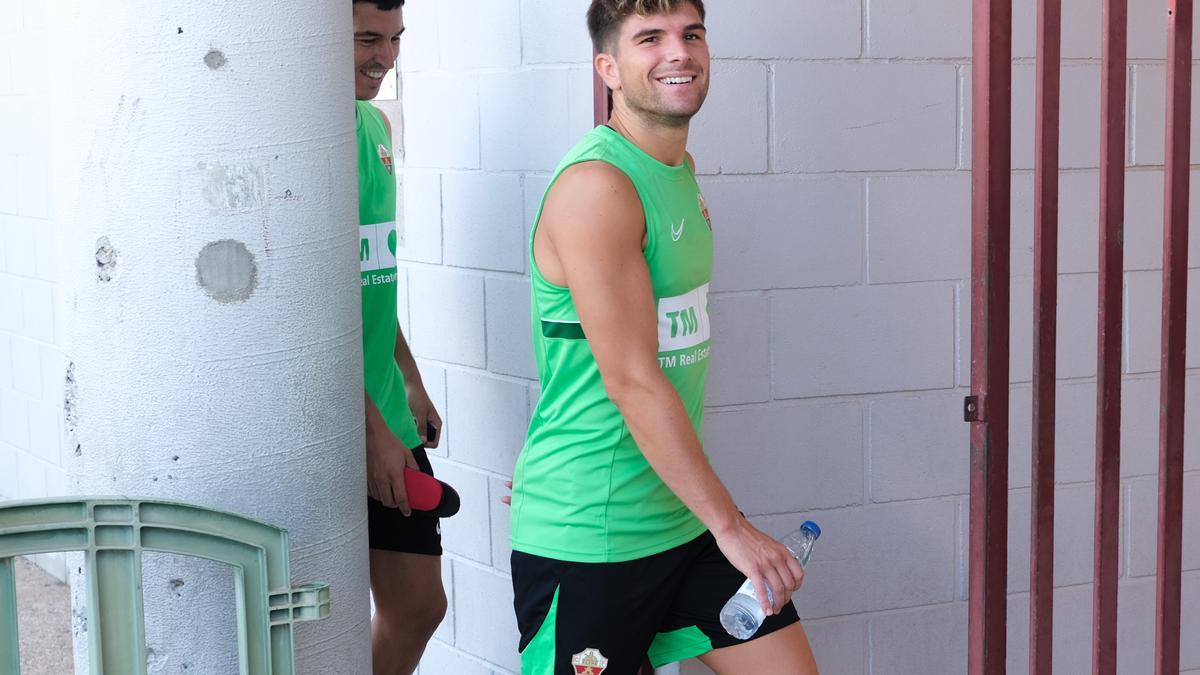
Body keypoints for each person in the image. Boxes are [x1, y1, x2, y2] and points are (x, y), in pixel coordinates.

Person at [506, 1, 820, 673]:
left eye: (691, 34)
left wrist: (715, 521)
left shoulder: (678, 172)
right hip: (593, 535)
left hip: (680, 517)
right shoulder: (599, 186)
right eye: (651, 39)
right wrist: (733, 526)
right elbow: (630, 377)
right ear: (608, 68)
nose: (679, 51)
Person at [353, 1, 446, 673]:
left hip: (384, 405)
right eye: (366, 38)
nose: (384, 55)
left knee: (419, 604)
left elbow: (370, 282)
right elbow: (306, 316)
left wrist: (409, 378)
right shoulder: (295, 141)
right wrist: (369, 433)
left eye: (393, 39)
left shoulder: (374, 124)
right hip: (341, 422)